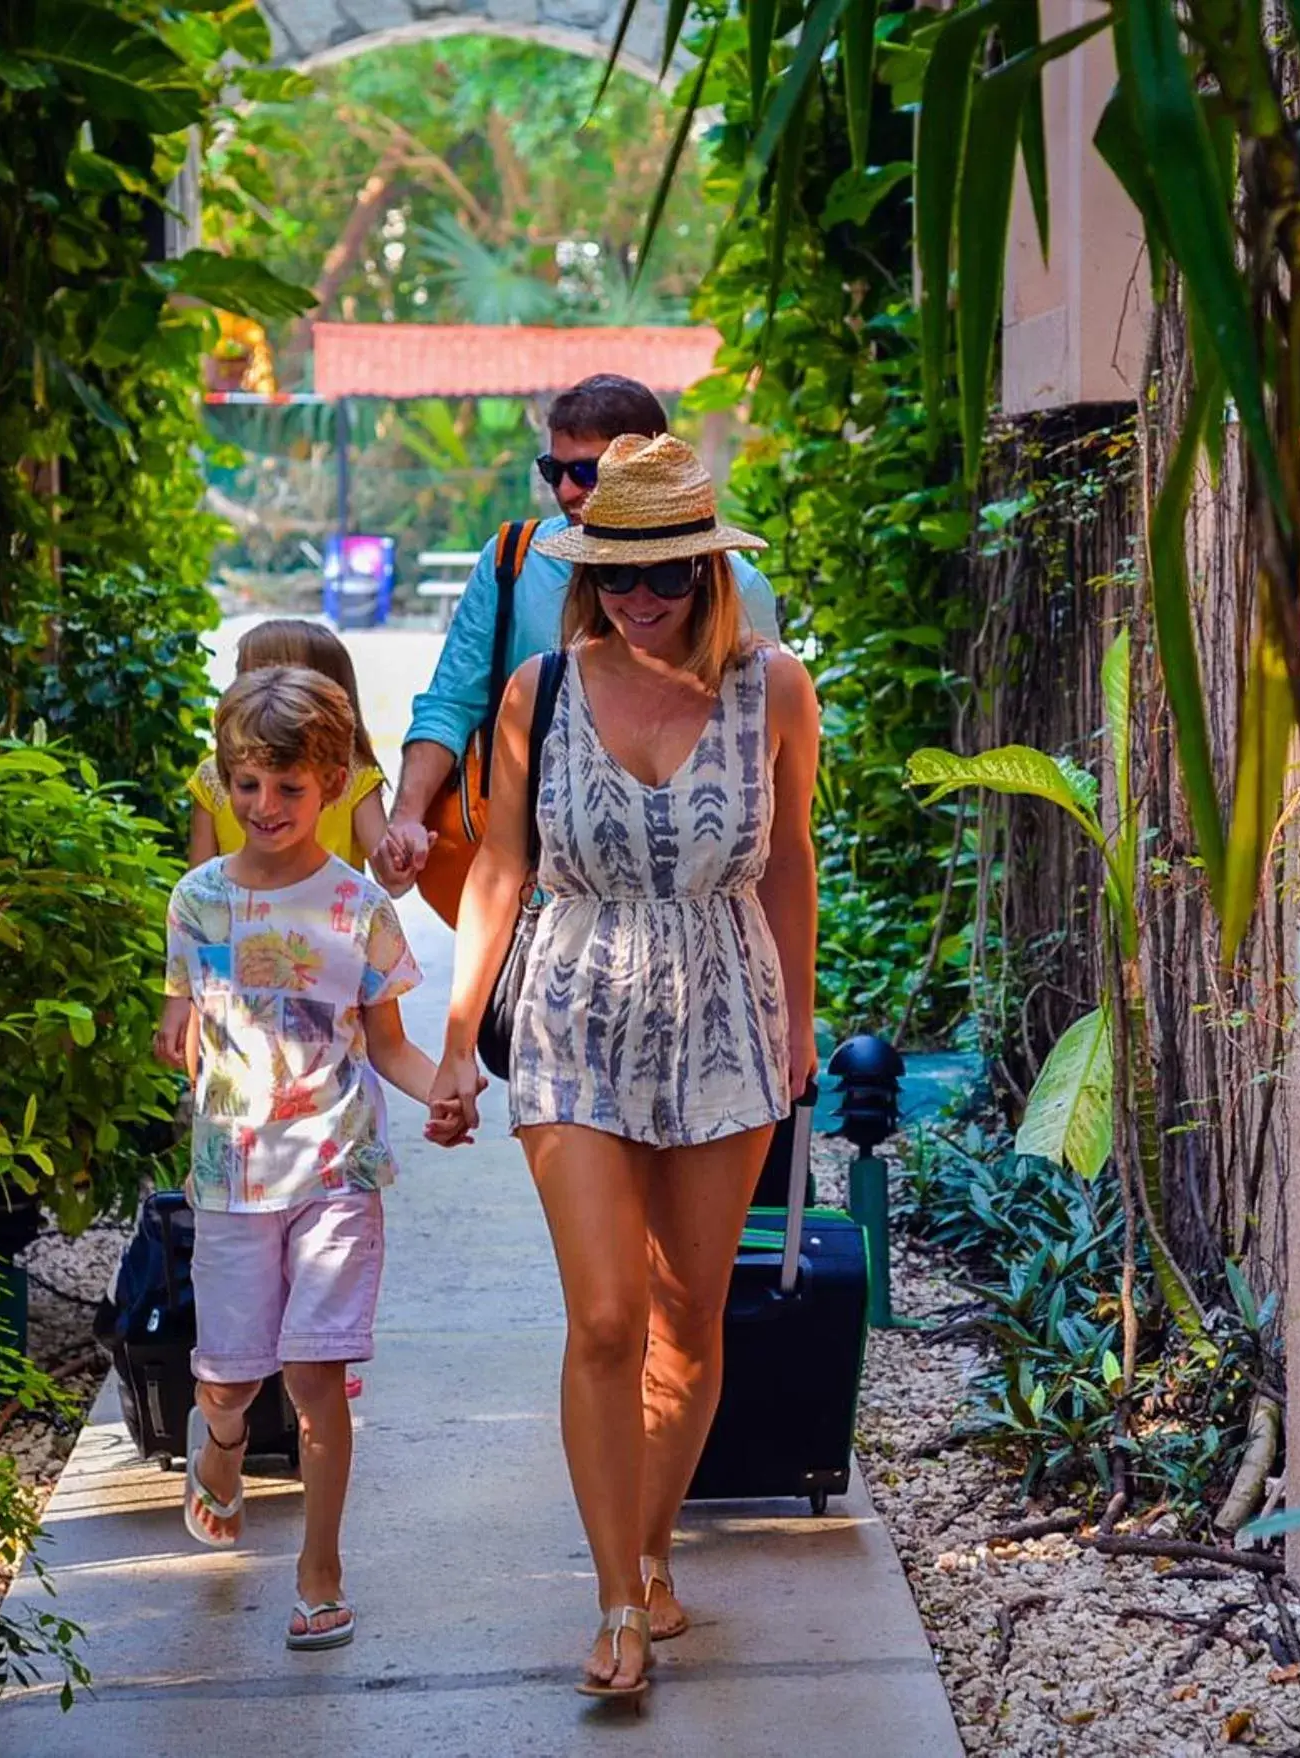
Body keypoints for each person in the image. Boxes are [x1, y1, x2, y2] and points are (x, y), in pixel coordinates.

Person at [425, 434, 821, 1701]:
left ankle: (652, 1552)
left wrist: (797, 1022)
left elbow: (793, 862)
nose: (639, 601)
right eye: (617, 579)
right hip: (573, 1016)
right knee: (604, 1315)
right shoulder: (541, 688)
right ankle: (612, 1606)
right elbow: (496, 867)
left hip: (726, 1016)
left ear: (709, 572)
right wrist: (453, 1044)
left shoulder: (777, 690)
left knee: (689, 1319)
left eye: (665, 578)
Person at [153, 666, 462, 1651]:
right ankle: (225, 1445)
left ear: (332, 786)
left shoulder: (358, 910)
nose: (266, 806)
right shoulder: (197, 903)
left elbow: (391, 1043)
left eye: (290, 788)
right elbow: (180, 1020)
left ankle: (318, 1567)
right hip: (234, 1179)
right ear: (223, 782)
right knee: (229, 1379)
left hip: (337, 1167)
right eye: (247, 785)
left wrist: (442, 1092)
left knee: (313, 1371)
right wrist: (180, 1032)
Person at [372, 375, 782, 891]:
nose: (566, 490)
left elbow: (766, 771)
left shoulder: (738, 590)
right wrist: (406, 816)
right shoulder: (513, 564)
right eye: (554, 470)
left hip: (694, 876)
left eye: (587, 471)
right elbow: (451, 702)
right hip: (536, 880)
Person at [190, 619, 400, 889]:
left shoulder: (355, 776)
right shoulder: (212, 776)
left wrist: (401, 859)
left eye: (252, 675)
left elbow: (392, 880)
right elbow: (198, 888)